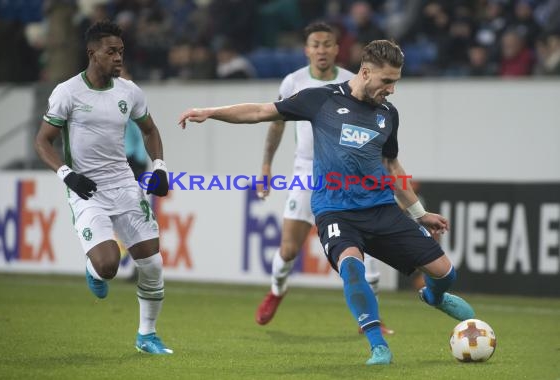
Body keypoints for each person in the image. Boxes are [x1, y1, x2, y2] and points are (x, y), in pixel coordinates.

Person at [178, 39, 475, 366]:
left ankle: (433, 296)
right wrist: (210, 112)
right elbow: (261, 111)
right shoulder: (321, 99)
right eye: (386, 81)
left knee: (446, 273)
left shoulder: (388, 114)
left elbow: (392, 167)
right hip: (336, 211)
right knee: (352, 267)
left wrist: (419, 213)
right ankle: (378, 346)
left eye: (395, 82)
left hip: (380, 209)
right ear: (365, 72)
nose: (391, 89)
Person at [34, 20, 173, 355]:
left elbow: (150, 130)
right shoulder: (68, 93)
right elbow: (43, 141)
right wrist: (67, 174)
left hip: (124, 184)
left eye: (121, 52)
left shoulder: (129, 91)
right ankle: (93, 268)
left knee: (151, 263)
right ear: (91, 53)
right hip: (86, 189)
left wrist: (159, 167)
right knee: (109, 265)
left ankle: (147, 336)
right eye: (111, 52)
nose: (118, 58)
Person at [254, 21, 393, 336]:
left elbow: (375, 124)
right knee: (289, 249)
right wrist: (266, 165)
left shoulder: (352, 80)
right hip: (307, 169)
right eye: (315, 44)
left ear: (336, 48)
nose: (321, 49)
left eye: (328, 44)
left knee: (366, 243)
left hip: (348, 173)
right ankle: (277, 290)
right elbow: (275, 123)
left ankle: (373, 318)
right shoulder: (293, 82)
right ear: (307, 49)